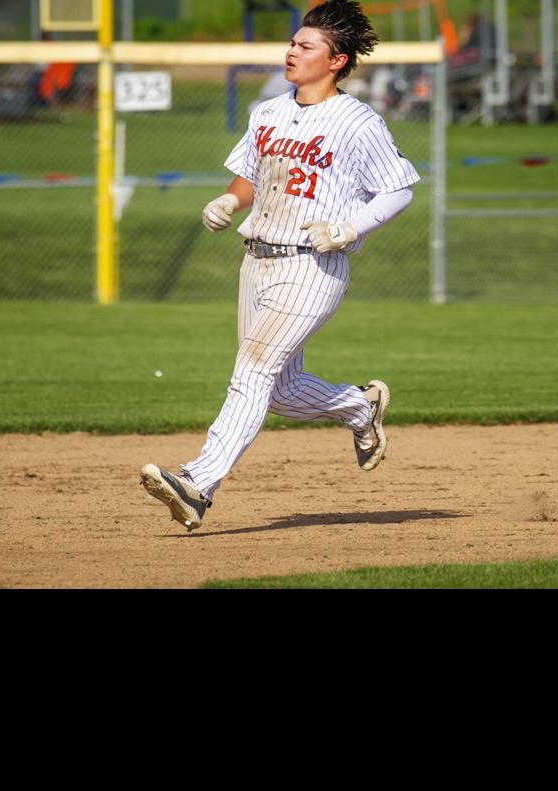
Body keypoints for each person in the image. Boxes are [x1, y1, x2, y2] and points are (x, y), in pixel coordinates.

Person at [141, 0, 419, 532]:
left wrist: (350, 227)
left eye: (305, 45)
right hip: (258, 261)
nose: (291, 51)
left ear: (336, 60)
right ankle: (361, 408)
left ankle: (197, 485)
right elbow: (252, 173)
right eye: (292, 42)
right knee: (283, 391)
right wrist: (229, 201)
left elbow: (398, 190)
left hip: (314, 264)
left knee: (252, 374)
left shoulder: (357, 121)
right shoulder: (268, 110)